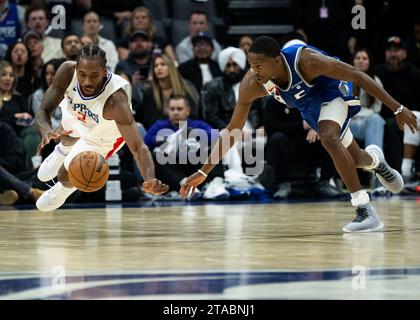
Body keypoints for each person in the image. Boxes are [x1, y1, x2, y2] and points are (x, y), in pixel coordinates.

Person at [180, 36, 418, 233]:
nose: (255, 71)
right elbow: (232, 130)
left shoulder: (307, 61)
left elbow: (357, 75)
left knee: (327, 136)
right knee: (354, 159)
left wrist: (397, 108)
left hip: (333, 89)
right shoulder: (253, 83)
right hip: (309, 105)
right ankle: (376, 161)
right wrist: (203, 171)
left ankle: (364, 209)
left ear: (277, 60)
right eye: (251, 65)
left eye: (260, 65)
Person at [35, 44, 168, 212]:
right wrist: (46, 130)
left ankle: (62, 189)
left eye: (94, 76)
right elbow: (42, 110)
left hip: (103, 134)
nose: (87, 82)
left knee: (66, 175)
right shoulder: (67, 71)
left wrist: (149, 178)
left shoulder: (116, 101)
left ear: (105, 72)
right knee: (68, 133)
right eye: (82, 74)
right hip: (79, 114)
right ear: (76, 69)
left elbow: (138, 147)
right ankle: (61, 150)